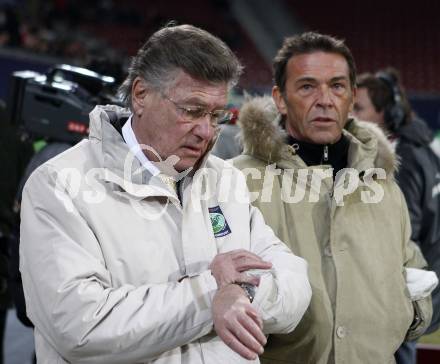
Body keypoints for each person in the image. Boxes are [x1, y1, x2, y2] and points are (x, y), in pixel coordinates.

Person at [19, 24, 311, 364]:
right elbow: (80, 328)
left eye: (216, 116)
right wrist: (209, 295)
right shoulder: (59, 185)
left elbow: (295, 287)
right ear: (141, 94)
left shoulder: (225, 179)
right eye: (191, 110)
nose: (206, 131)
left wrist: (237, 292)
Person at [233, 32, 436, 363]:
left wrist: (409, 313)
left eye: (337, 86)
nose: (325, 99)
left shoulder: (383, 184)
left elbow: (410, 266)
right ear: (280, 98)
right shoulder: (236, 180)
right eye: (307, 87)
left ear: (352, 97)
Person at [354, 68, 440, 364]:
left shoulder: (401, 157)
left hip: (401, 291)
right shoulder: (422, 147)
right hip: (423, 279)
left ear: (384, 114)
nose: (349, 115)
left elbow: (403, 235)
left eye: (358, 108)